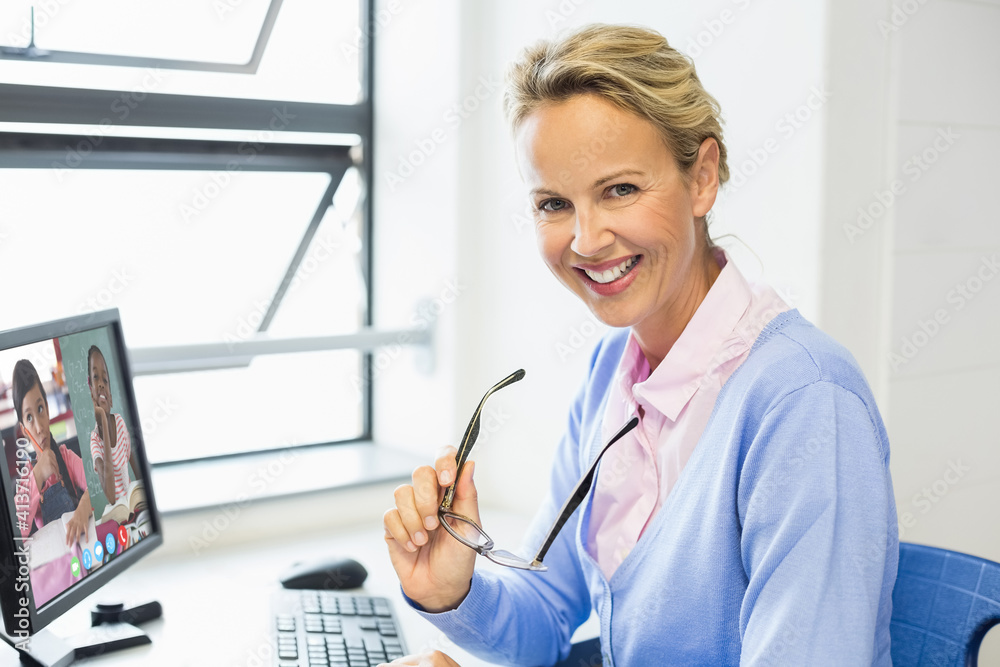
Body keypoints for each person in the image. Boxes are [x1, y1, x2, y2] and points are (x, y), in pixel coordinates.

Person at [382, 24, 898, 666]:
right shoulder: (613, 370)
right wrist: (452, 590)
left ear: (702, 177)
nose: (587, 240)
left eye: (619, 189)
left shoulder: (807, 404)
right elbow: (547, 616)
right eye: (553, 203)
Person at [11, 359, 93, 546]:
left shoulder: (66, 457)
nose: (39, 427)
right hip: (58, 563)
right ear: (24, 431)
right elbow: (17, 531)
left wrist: (83, 509)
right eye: (29, 417)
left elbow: (95, 484)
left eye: (40, 409)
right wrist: (38, 475)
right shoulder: (28, 477)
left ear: (48, 410)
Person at [88, 345, 139, 504]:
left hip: (134, 506)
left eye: (105, 380)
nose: (101, 384)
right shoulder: (95, 440)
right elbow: (110, 496)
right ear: (91, 390)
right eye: (96, 377)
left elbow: (138, 471)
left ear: (110, 395)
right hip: (117, 514)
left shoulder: (120, 422)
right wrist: (102, 419)